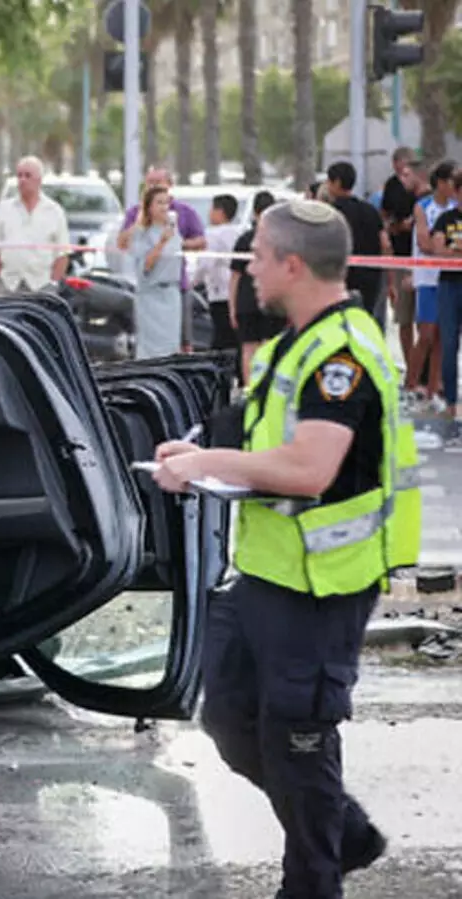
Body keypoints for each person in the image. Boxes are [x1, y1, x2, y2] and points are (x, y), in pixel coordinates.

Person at [153, 198, 420, 899]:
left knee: (298, 741)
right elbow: (267, 438)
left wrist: (209, 463)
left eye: (260, 256)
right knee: (230, 718)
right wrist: (202, 452)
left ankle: (314, 879)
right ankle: (344, 833)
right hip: (269, 573)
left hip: (322, 584)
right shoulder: (293, 343)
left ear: (293, 265)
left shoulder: (341, 355)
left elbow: (308, 468)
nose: (250, 267)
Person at [116, 166, 208, 350]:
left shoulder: (183, 213)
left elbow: (201, 241)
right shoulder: (136, 215)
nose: (153, 186)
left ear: (169, 185)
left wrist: (177, 245)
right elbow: (124, 244)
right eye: (149, 183)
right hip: (149, 289)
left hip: (176, 285)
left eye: (158, 182)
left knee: (182, 341)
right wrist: (140, 222)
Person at [408, 159, 454, 410]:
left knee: (441, 337)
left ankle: (433, 390)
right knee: (425, 334)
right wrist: (448, 250)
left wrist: (445, 250)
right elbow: (425, 244)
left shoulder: (456, 208)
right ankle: (411, 385)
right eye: (451, 182)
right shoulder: (422, 206)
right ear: (440, 183)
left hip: (448, 278)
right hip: (427, 278)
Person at [0, 155, 69, 293]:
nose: (22, 180)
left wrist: (53, 283)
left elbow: (62, 253)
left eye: (27, 175)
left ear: (39, 180)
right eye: (19, 175)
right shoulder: (4, 209)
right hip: (10, 285)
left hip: (42, 285)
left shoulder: (54, 211)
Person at [227, 190, 285, 383]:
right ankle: (267, 385)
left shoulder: (245, 239)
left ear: (254, 212)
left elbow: (235, 276)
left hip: (246, 300)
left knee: (248, 348)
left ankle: (249, 389)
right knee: (270, 345)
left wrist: (232, 307)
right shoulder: (279, 240)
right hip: (272, 300)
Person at [324, 162, 390, 329]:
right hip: (370, 279)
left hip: (338, 278)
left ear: (337, 182)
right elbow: (385, 245)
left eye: (329, 181)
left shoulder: (330, 213)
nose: (327, 185)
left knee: (337, 324)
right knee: (363, 323)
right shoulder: (370, 211)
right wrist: (388, 279)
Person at [126, 184, 184, 359]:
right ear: (149, 207)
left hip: (171, 295)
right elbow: (145, 266)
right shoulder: (141, 233)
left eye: (167, 203)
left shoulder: (174, 231)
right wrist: (161, 243)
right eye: (159, 203)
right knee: (151, 349)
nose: (164, 207)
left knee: (171, 345)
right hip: (151, 295)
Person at [428, 164, 462, 444]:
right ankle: (451, 400)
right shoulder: (445, 219)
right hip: (449, 285)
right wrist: (451, 252)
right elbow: (437, 249)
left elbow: (447, 249)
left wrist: (454, 250)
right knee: (448, 343)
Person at [382, 150, 421, 371]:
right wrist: (397, 227)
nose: (404, 175)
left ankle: (421, 369)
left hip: (423, 261)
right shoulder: (391, 187)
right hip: (401, 254)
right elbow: (385, 218)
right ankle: (410, 365)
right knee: (404, 317)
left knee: (424, 321)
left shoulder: (426, 199)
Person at [194, 194, 243, 349]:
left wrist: (192, 281)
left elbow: (206, 263)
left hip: (219, 292)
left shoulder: (213, 234)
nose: (209, 213)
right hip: (238, 292)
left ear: (219, 211)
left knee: (221, 337)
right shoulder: (238, 232)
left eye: (212, 209)